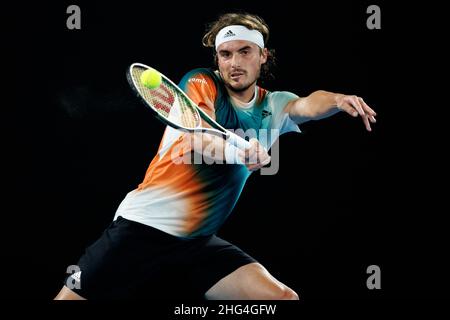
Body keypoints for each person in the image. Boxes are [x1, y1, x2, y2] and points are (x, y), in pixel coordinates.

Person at [55, 12, 376, 300]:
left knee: (281, 298)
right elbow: (199, 141)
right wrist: (241, 151)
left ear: (263, 56)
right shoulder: (200, 83)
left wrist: (337, 99)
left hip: (196, 241)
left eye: (244, 51)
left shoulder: (274, 105)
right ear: (217, 59)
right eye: (225, 54)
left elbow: (307, 104)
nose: (234, 62)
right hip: (142, 228)